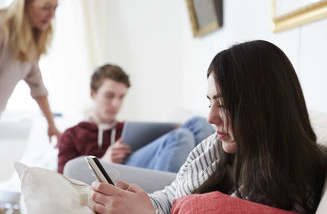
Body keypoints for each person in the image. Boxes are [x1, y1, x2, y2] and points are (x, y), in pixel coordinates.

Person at [88, 40, 327, 214]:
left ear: (261, 106)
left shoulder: (286, 182)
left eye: (223, 104)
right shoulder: (213, 147)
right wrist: (140, 204)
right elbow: (173, 194)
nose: (211, 118)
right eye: (210, 102)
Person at [57, 64, 214, 173]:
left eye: (121, 97)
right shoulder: (71, 134)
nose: (116, 104)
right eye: (109, 96)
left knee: (198, 123)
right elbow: (64, 177)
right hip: (111, 177)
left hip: (143, 170)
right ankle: (170, 203)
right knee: (181, 136)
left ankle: (208, 186)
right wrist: (102, 162)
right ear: (93, 94)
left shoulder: (127, 129)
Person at [0, 0, 61, 141]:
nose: (51, 14)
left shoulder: (29, 45)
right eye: (46, 7)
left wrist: (51, 124)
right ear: (26, 3)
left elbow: (38, 87)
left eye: (55, 8)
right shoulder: (2, 28)